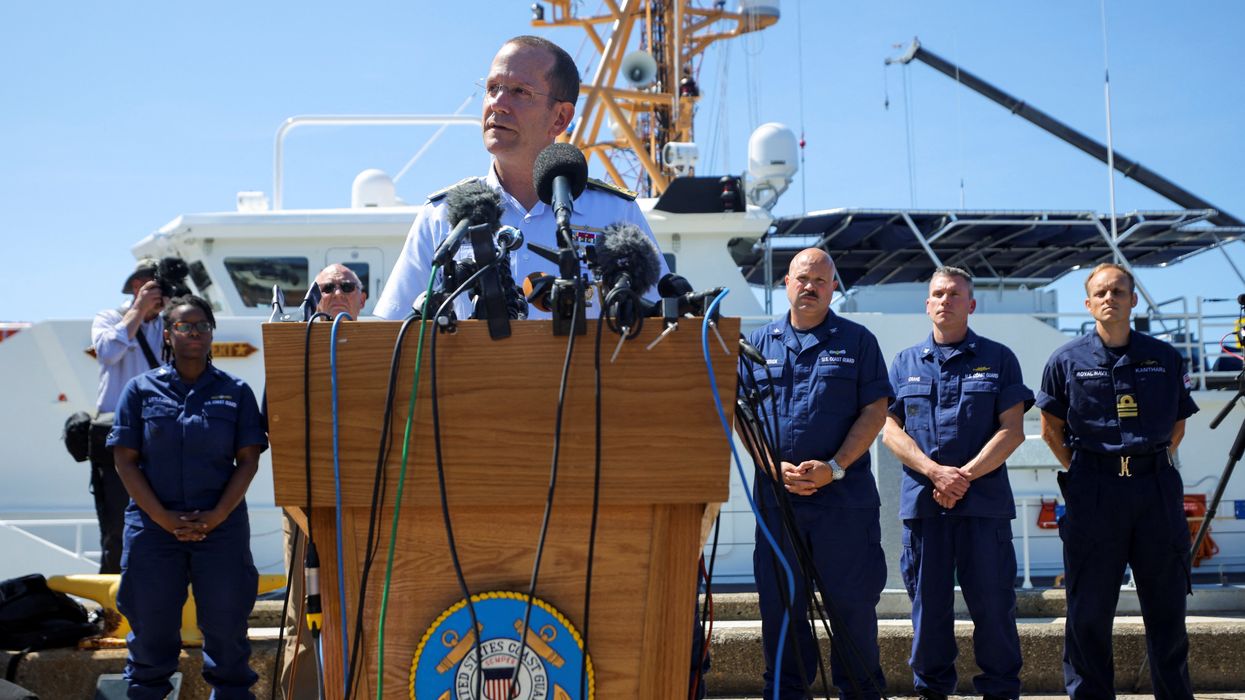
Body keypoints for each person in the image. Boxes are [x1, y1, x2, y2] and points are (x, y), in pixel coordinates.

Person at [373, 35, 666, 321]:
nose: (498, 103)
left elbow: (660, 327)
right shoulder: (442, 215)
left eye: (519, 92)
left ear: (560, 118)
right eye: (492, 88)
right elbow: (394, 331)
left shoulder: (616, 213)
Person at [1036, 263, 1197, 700]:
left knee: (1167, 609)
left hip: (1155, 489)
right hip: (1095, 492)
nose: (1110, 298)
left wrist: (1142, 461)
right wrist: (1092, 471)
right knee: (1088, 610)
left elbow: (1177, 426)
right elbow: (1050, 427)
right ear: (1088, 304)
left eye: (1119, 291)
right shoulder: (1065, 360)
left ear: (1133, 299)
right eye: (1101, 293)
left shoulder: (1165, 357)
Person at [745, 248, 891, 699]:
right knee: (781, 609)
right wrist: (769, 464)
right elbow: (742, 414)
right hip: (778, 502)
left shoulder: (858, 341)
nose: (810, 287)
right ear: (785, 283)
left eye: (821, 281)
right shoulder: (754, 344)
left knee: (851, 609)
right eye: (802, 279)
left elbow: (875, 411)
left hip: (843, 505)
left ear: (833, 288)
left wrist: (834, 467)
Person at [882, 266, 1032, 700]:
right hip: (926, 508)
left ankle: (1001, 693)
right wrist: (934, 472)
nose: (945, 300)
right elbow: (890, 430)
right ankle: (931, 692)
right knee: (928, 615)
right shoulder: (905, 363)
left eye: (954, 294)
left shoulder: (998, 358)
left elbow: (1012, 430)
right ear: (926, 303)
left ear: (971, 304)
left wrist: (962, 476)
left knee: (994, 611)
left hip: (982, 508)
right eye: (937, 294)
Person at [108, 295, 267, 699]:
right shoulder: (140, 391)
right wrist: (162, 518)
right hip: (153, 530)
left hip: (221, 529)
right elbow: (125, 462)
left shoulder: (236, 392)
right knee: (151, 628)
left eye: (202, 326)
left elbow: (247, 460)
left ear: (211, 334)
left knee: (227, 628)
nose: (194, 333)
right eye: (184, 326)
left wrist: (215, 516)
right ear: (168, 334)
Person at [278, 263, 367, 699]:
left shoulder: (386, 345)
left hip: (370, 500)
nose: (335, 292)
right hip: (306, 502)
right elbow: (270, 419)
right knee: (305, 619)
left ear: (362, 298)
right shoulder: (294, 349)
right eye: (326, 287)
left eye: (345, 285)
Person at [89, 258, 166, 573]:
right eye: (151, 286)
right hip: (117, 433)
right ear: (137, 286)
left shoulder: (169, 322)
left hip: (158, 434)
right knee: (117, 527)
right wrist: (138, 311)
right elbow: (107, 352)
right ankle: (114, 611)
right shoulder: (109, 318)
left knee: (160, 521)